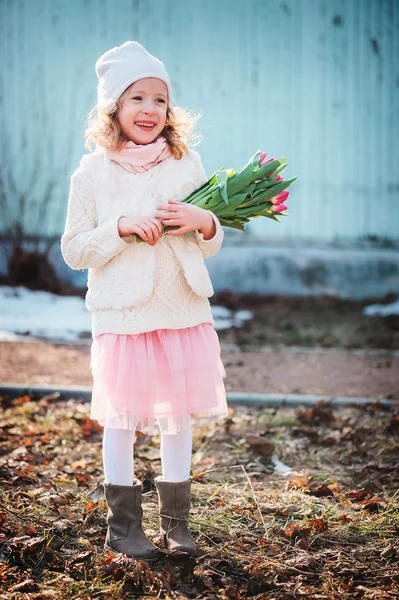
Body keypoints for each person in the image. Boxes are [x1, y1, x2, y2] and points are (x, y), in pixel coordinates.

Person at [60, 41, 228, 560]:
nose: (149, 110)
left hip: (181, 310)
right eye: (137, 99)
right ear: (114, 108)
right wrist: (117, 226)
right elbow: (73, 250)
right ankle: (124, 527)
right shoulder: (92, 174)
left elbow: (212, 238)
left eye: (159, 100)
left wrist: (207, 222)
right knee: (124, 419)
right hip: (124, 317)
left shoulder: (186, 163)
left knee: (177, 417)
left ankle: (177, 525)